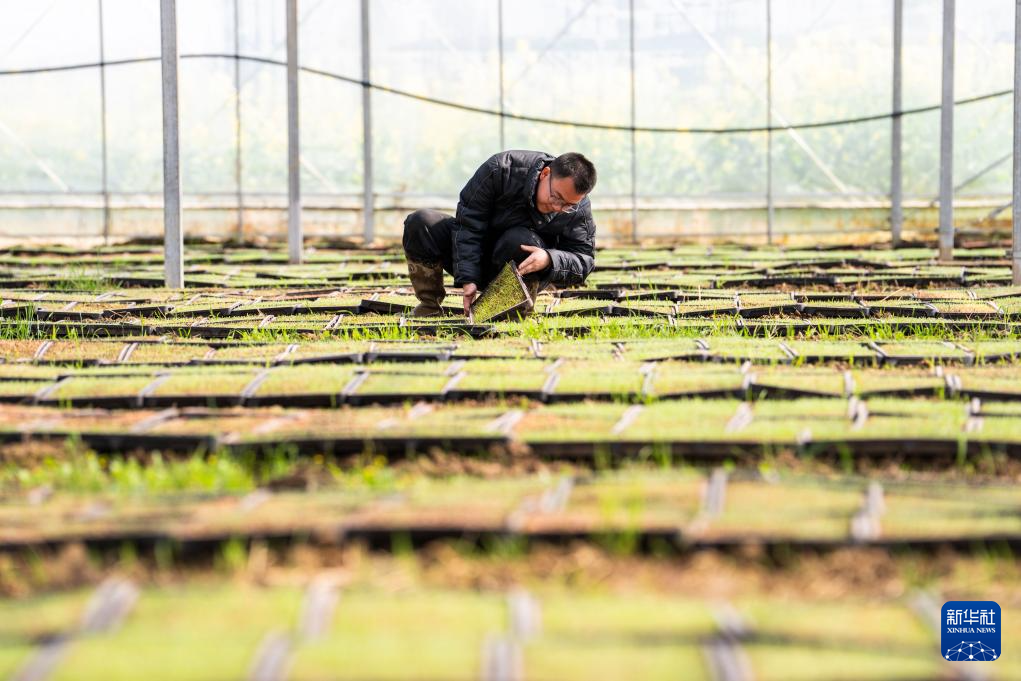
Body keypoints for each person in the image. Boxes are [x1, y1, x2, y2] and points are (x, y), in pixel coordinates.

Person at [402, 150, 598, 317]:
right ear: (545, 174)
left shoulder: (579, 209)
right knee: (421, 222)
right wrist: (468, 278)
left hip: (522, 270)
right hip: (480, 258)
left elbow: (584, 260)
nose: (557, 207)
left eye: (568, 206)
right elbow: (468, 224)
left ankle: (515, 312)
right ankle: (429, 307)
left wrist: (549, 258)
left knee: (521, 241)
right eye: (556, 197)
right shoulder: (501, 170)